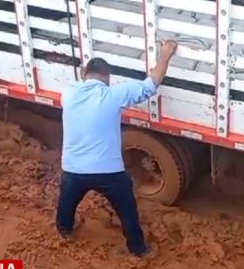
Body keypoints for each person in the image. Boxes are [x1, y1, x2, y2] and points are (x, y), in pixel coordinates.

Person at [56, 40, 179, 256]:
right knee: (127, 211)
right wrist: (165, 55)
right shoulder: (113, 95)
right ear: (108, 78)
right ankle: (138, 249)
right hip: (108, 172)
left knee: (66, 204)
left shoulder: (68, 93)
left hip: (73, 170)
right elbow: (152, 84)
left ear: (85, 75)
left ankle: (64, 229)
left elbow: (80, 84)